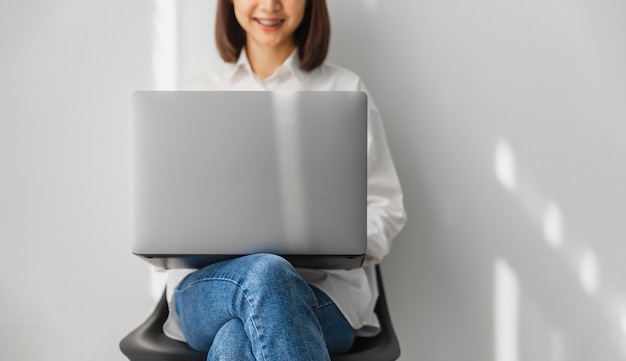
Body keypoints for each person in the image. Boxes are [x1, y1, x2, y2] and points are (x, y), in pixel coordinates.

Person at [162, 0, 406, 360]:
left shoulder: (343, 88)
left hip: (324, 294)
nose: (270, 4)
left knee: (235, 340)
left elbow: (386, 206)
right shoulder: (196, 93)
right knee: (267, 274)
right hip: (210, 290)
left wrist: (347, 241)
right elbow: (168, 212)